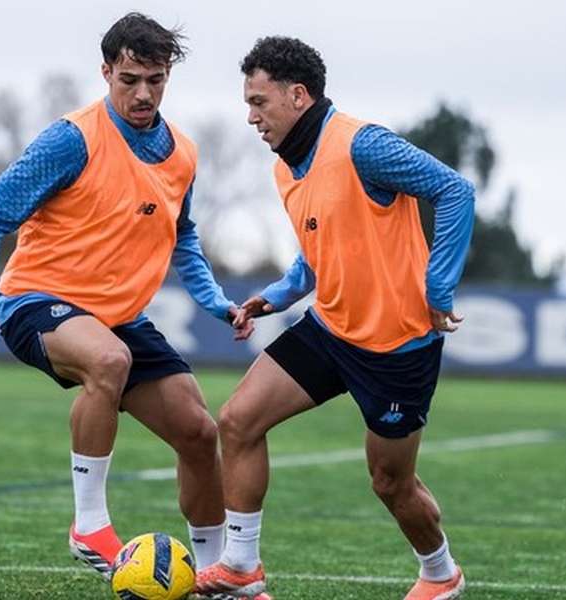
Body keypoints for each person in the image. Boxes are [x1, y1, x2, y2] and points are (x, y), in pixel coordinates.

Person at [0, 12, 256, 586]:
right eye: (129, 79)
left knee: (199, 431)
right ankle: (89, 525)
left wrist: (215, 301)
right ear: (106, 72)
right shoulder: (71, 138)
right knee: (108, 360)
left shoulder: (182, 153)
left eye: (156, 80)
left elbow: (182, 235)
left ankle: (219, 575)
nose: (143, 93)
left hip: (117, 317)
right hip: (37, 301)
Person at [193, 36, 474, 600]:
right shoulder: (286, 169)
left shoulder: (362, 145)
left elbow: (455, 189)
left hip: (397, 349)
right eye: (247, 103)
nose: (250, 117)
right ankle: (242, 568)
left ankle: (441, 575)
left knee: (390, 483)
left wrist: (438, 285)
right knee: (239, 420)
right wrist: (275, 296)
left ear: (298, 96)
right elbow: (317, 249)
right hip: (330, 330)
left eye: (259, 102)